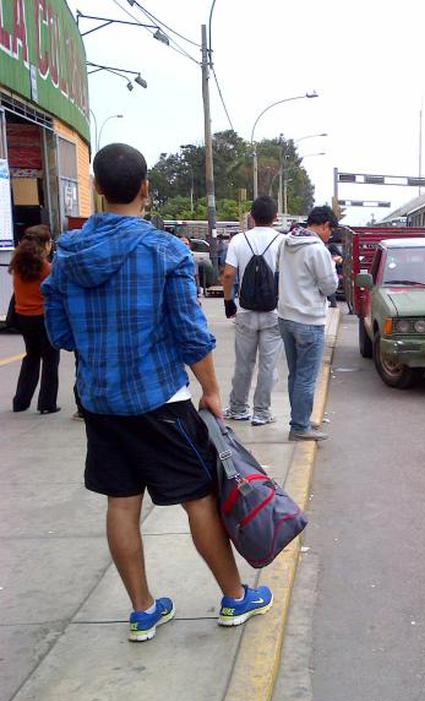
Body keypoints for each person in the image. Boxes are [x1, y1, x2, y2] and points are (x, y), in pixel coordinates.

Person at [42, 143, 272, 642]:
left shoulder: (66, 253)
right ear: (146, 188)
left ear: (98, 189)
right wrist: (211, 390)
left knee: (121, 503)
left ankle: (143, 610)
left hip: (100, 402)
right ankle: (236, 598)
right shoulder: (165, 251)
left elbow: (60, 335)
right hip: (160, 403)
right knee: (199, 500)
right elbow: (191, 336)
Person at [278, 206, 338, 441]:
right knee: (306, 376)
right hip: (309, 320)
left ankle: (299, 419)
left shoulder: (286, 242)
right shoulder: (317, 250)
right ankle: (300, 426)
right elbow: (330, 286)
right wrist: (333, 265)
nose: (329, 236)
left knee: (295, 374)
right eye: (329, 230)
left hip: (286, 316)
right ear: (324, 225)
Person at [222, 196, 283, 426]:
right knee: (268, 366)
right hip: (274, 313)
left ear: (252, 216)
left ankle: (238, 407)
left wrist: (229, 302)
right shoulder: (282, 241)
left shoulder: (238, 240)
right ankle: (262, 412)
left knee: (243, 363)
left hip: (245, 312)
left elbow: (228, 274)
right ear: (275, 217)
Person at [10, 225, 60, 414]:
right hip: (44, 318)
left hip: (23, 317)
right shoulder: (46, 268)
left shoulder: (17, 266)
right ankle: (47, 404)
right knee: (50, 359)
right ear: (46, 244)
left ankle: (21, 401)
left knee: (31, 357)